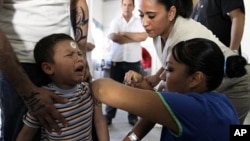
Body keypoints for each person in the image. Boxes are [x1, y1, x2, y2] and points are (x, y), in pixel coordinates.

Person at [92, 38, 247, 141]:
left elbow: (103, 90)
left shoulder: (188, 107)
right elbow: (159, 107)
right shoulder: (221, 101)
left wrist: (86, 78)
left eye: (170, 69)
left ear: (194, 79)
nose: (163, 76)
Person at [136, 0, 250, 124]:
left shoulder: (184, 37)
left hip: (238, 80)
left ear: (171, 13)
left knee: (227, 131)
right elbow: (170, 61)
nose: (144, 23)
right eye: (141, 15)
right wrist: (157, 77)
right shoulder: (159, 33)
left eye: (151, 16)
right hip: (214, 82)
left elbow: (167, 100)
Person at [0, 0, 90, 140]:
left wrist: (80, 54)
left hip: (64, 64)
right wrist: (29, 93)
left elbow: (78, 2)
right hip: (19, 66)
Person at [16, 33, 109, 141]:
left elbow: (99, 121)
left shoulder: (90, 90)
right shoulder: (44, 101)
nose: (79, 58)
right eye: (69, 55)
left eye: (79, 53)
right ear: (48, 68)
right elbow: (25, 135)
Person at [105, 0, 147, 126]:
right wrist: (133, 38)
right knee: (113, 89)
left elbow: (143, 37)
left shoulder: (139, 21)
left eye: (129, 5)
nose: (127, 7)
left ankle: (132, 117)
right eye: (124, 4)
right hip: (116, 60)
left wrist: (123, 33)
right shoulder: (115, 21)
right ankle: (109, 116)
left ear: (133, 7)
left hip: (133, 61)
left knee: (133, 90)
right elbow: (113, 37)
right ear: (121, 6)